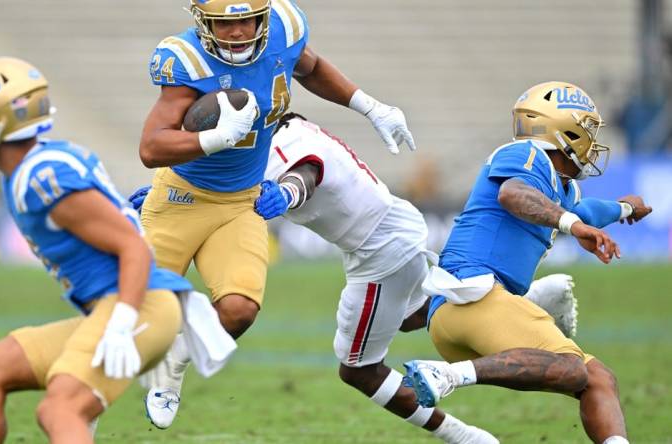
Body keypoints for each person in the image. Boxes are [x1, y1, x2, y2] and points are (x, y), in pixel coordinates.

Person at [138, 0, 416, 428]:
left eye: (247, 19)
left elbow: (310, 66)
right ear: (203, 22)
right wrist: (214, 139)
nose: (237, 32)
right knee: (133, 324)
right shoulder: (186, 59)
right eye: (223, 23)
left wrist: (369, 106)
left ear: (264, 16)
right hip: (182, 199)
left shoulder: (285, 27)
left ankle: (174, 362)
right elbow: (151, 147)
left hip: (239, 200)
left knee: (238, 311)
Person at [251, 112, 588, 442]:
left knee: (358, 369)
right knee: (410, 317)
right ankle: (517, 304)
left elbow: (306, 172)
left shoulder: (281, 144)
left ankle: (465, 436)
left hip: (378, 252)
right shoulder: (297, 127)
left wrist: (286, 194)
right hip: (393, 228)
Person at [0, 57, 196, 444]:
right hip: (121, 308)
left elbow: (133, 247)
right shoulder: (38, 166)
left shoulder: (41, 178)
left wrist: (121, 323)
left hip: (138, 306)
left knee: (60, 409)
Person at [402, 82, 653, 444]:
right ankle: (446, 376)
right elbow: (512, 194)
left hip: (474, 309)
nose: (591, 141)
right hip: (471, 296)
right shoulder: (527, 154)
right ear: (563, 130)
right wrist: (573, 225)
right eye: (585, 130)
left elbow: (585, 210)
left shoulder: (560, 187)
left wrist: (625, 208)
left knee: (597, 377)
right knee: (572, 369)